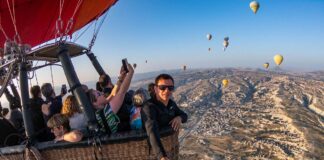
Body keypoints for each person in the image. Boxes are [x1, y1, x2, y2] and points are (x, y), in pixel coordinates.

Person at [141, 74, 188, 160]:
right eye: (162, 87)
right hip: (152, 152)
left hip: (171, 148)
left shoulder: (171, 104)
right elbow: (152, 130)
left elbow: (184, 115)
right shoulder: (149, 107)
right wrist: (162, 156)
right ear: (155, 88)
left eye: (170, 88)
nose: (167, 91)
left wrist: (179, 118)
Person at [87, 63, 134, 135]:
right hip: (125, 139)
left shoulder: (98, 113)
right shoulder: (106, 112)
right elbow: (122, 92)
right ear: (95, 103)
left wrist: (121, 78)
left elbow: (113, 93)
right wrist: (131, 73)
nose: (102, 93)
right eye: (99, 94)